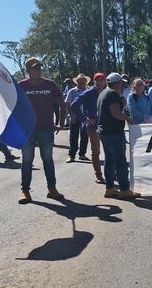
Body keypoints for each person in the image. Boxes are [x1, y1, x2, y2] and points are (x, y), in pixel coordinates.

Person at [17, 58, 67, 204]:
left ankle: (52, 189)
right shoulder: (21, 86)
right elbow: (13, 105)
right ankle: (25, 191)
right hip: (28, 130)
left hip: (46, 129)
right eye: (34, 68)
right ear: (28, 71)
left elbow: (62, 105)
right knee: (27, 160)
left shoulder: (50, 84)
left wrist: (61, 123)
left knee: (48, 160)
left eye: (39, 68)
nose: (38, 71)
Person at [97, 73, 141, 199]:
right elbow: (115, 113)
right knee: (120, 161)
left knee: (109, 160)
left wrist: (122, 104)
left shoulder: (103, 93)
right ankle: (124, 189)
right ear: (116, 83)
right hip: (113, 133)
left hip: (104, 132)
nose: (123, 85)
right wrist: (128, 118)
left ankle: (110, 188)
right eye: (121, 83)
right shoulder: (112, 94)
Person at [71, 72, 108, 184]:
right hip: (93, 126)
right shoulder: (88, 93)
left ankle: (111, 174)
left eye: (102, 80)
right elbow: (74, 105)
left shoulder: (107, 92)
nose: (100, 82)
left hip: (106, 125)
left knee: (109, 150)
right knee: (95, 151)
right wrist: (84, 118)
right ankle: (99, 175)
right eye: (98, 80)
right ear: (94, 81)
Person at [65, 73, 90, 163]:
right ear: (77, 81)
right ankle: (72, 156)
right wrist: (71, 115)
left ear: (86, 81)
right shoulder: (72, 91)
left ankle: (82, 154)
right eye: (80, 80)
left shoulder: (89, 91)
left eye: (84, 80)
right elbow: (68, 103)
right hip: (75, 117)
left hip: (85, 117)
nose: (82, 81)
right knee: (73, 137)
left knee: (85, 136)